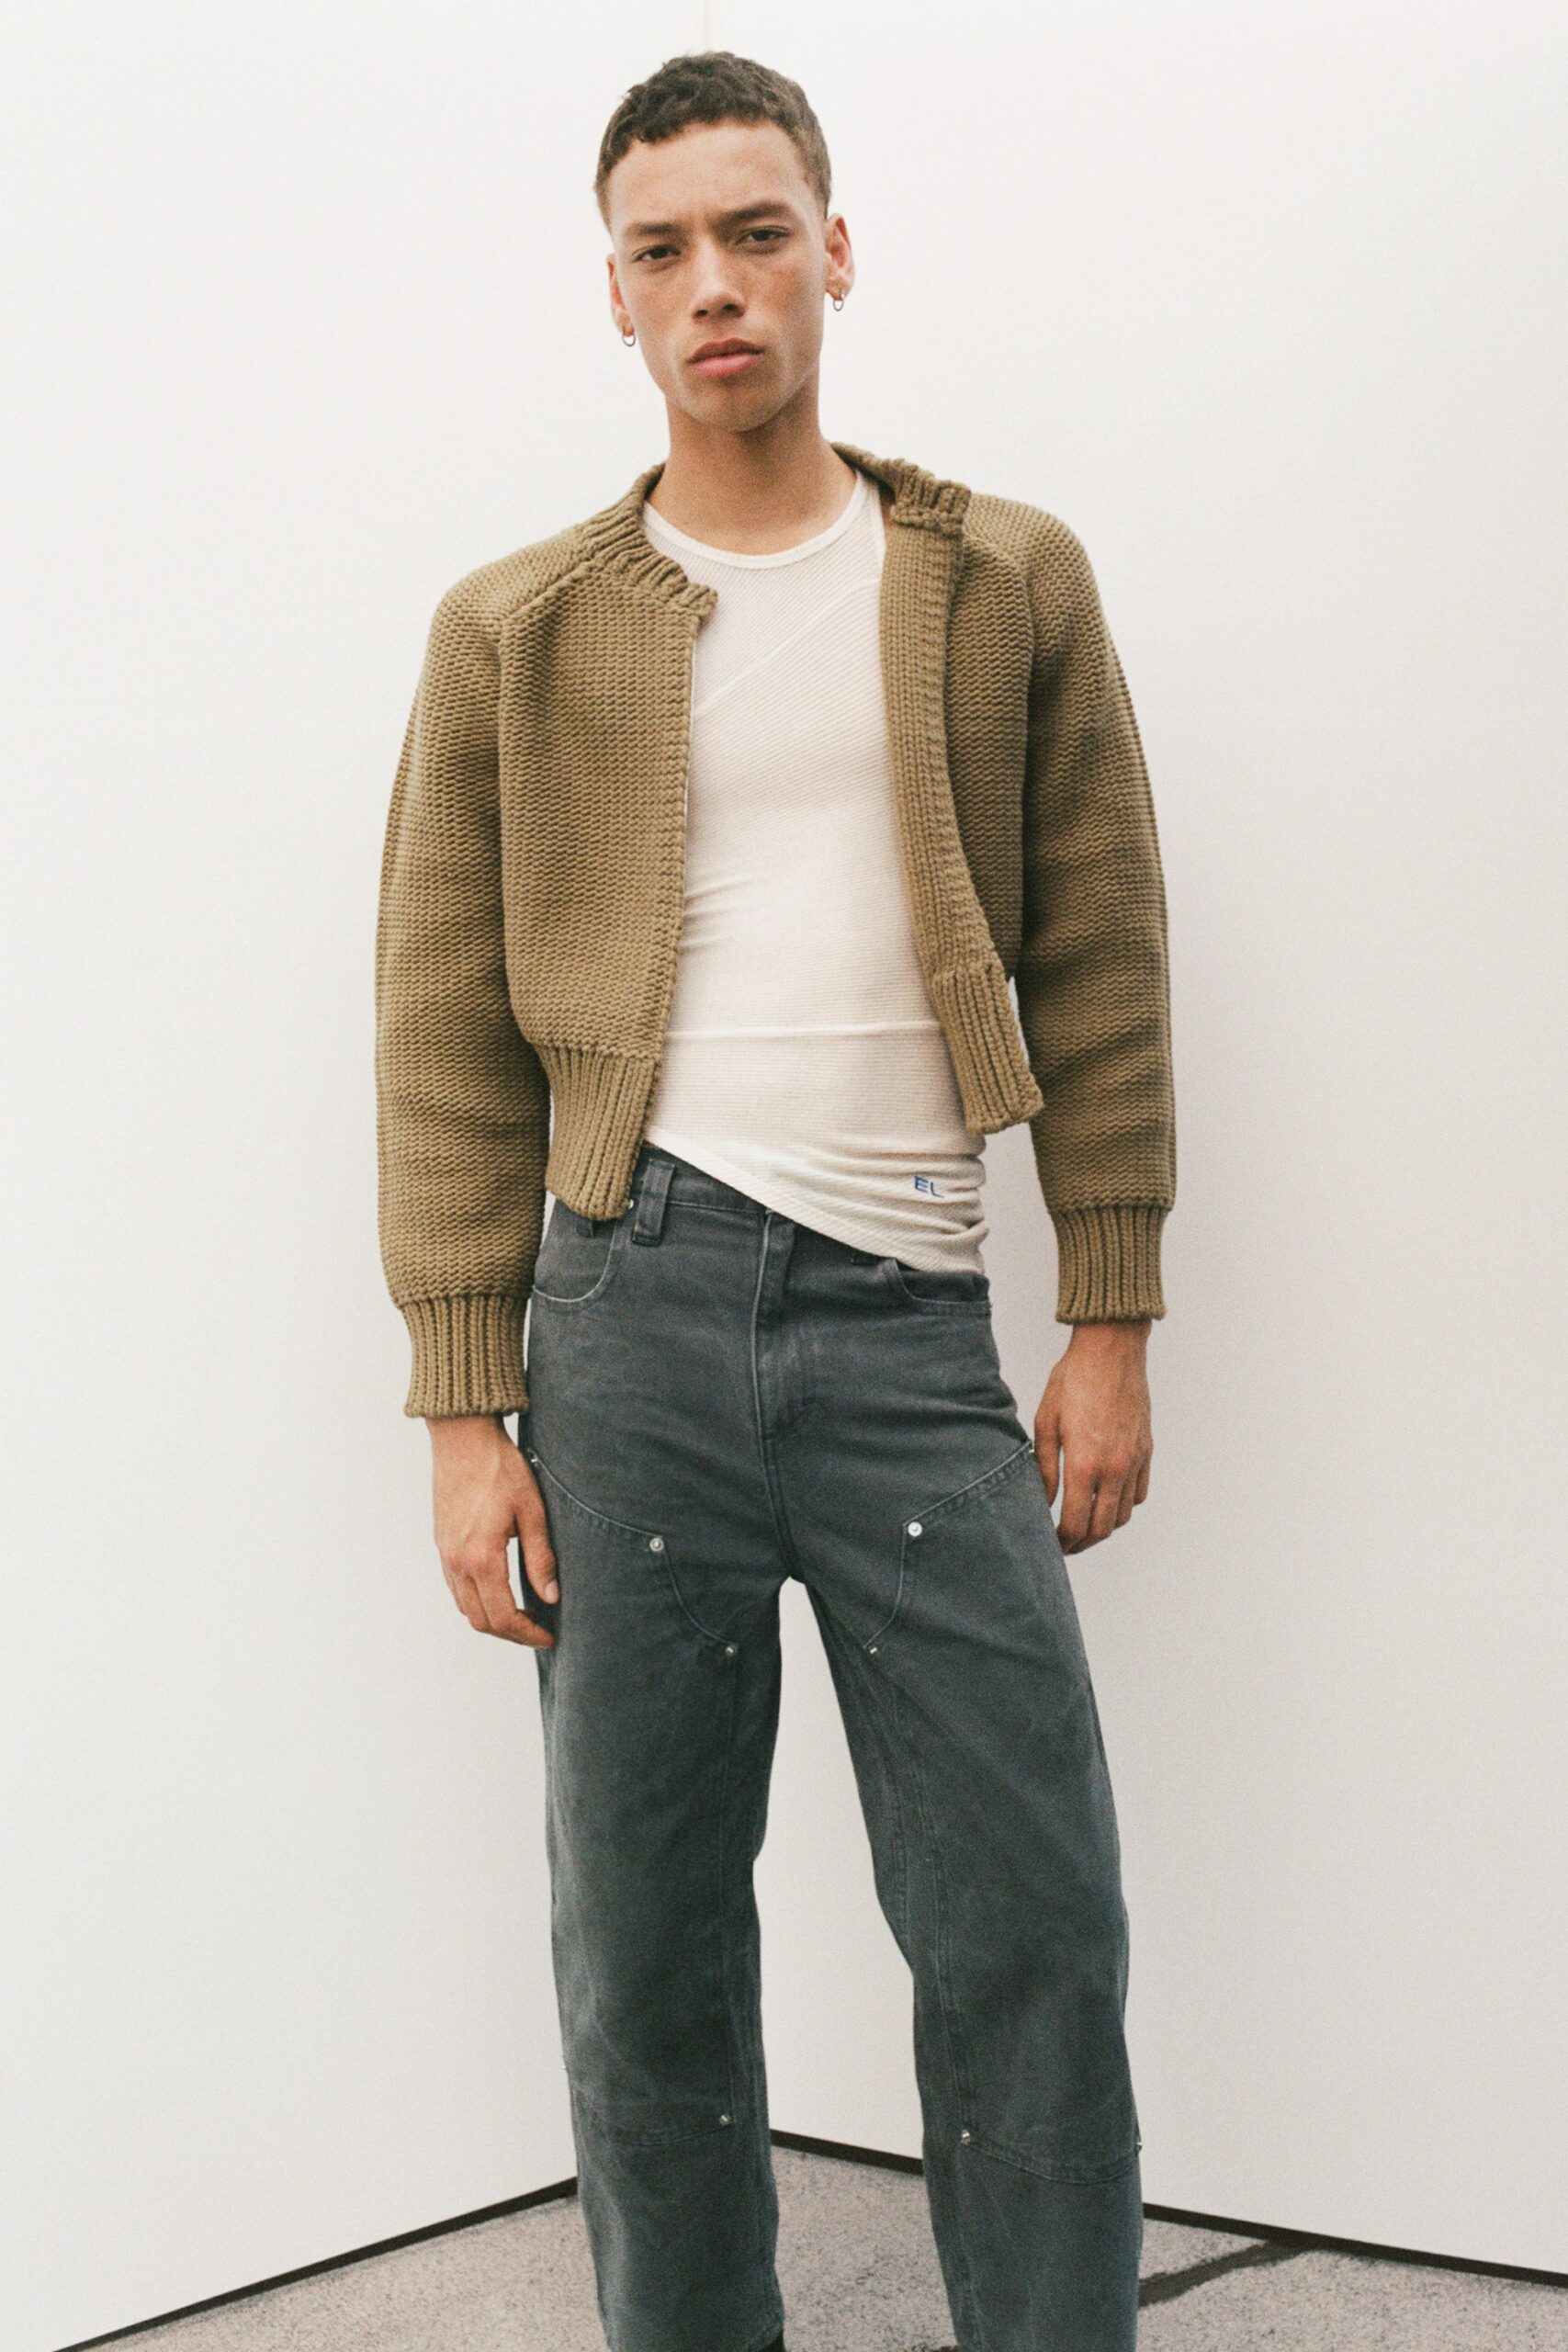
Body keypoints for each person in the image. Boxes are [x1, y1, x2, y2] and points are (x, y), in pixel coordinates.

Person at [374, 47, 1176, 2352]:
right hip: (621, 1325)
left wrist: (1105, 1305)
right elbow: (442, 1034)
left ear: (833, 250)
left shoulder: (996, 581)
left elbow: (1100, 952)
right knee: (642, 1943)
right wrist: (464, 1409)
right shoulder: (517, 627)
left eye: (752, 234)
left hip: (907, 1321)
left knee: (1027, 1917)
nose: (711, 284)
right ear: (613, 295)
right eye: (661, 250)